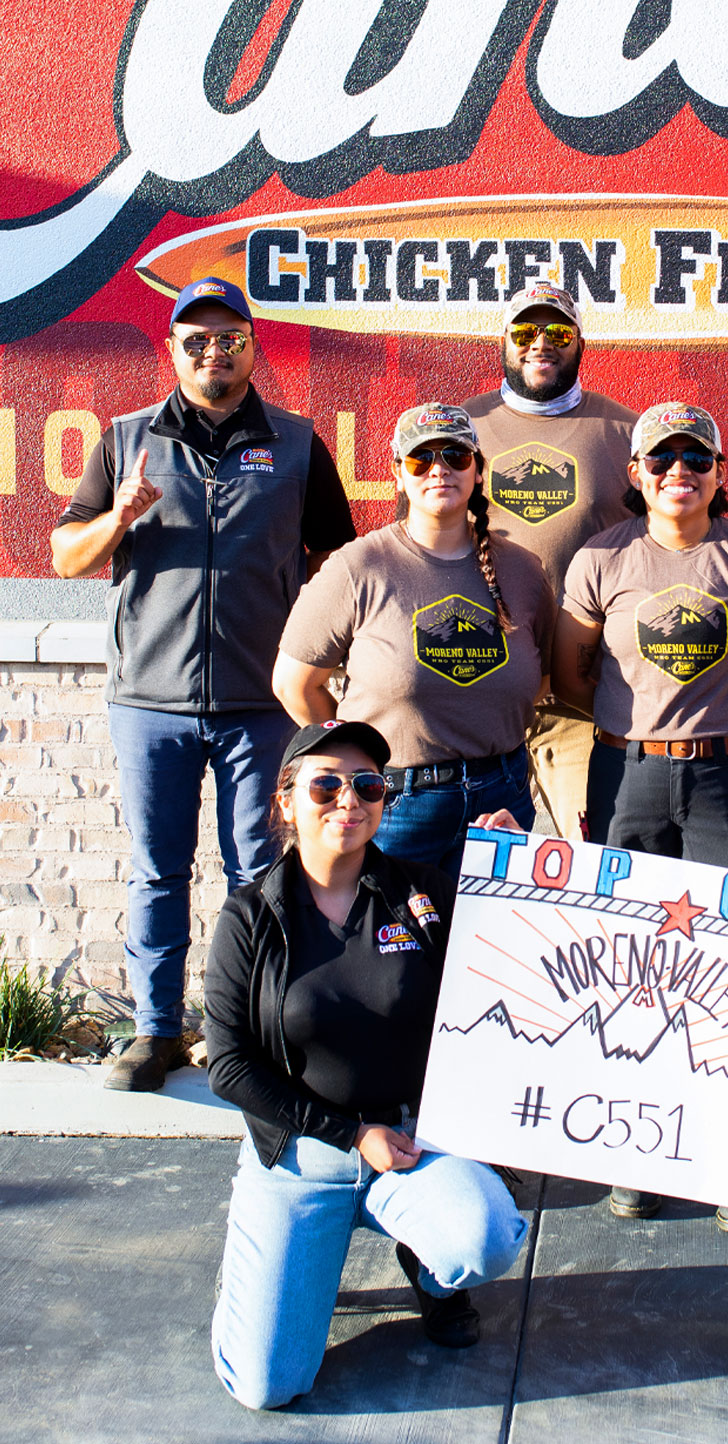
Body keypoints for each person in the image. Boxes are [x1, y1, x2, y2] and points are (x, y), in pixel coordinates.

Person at [49, 276, 356, 1092]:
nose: (213, 351)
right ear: (173, 350)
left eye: (230, 338)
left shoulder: (296, 443)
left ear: (252, 348)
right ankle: (154, 1031)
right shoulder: (125, 440)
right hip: (150, 699)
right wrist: (118, 517)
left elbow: (336, 560)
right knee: (159, 868)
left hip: (263, 701)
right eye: (197, 339)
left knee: (261, 870)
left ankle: (254, 1030)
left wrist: (316, 653)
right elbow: (66, 557)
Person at [206, 720, 527, 1411]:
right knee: (267, 1386)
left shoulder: (421, 895)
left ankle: (429, 1267)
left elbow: (512, 967)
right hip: (301, 1158)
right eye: (325, 784)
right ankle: (267, 1266)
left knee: (486, 1238)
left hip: (410, 1146)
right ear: (286, 800)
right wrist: (352, 1135)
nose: (348, 800)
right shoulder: (250, 915)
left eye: (368, 785)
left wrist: (509, 868)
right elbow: (228, 1066)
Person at [554, 400, 728, 1233]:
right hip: (626, 776)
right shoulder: (601, 559)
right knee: (629, 964)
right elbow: (572, 674)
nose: (679, 473)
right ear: (635, 474)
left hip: (726, 778)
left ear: (719, 471)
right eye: (661, 460)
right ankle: (638, 1152)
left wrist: (723, 725)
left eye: (696, 459)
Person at [273, 403, 554, 883]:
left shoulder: (523, 570)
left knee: (483, 934)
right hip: (395, 804)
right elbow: (293, 685)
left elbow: (543, 676)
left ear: (479, 472)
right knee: (392, 932)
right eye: (421, 459)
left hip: (501, 800)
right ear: (398, 474)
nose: (438, 470)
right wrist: (354, 756)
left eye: (456, 457)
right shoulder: (357, 567)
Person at [463, 279, 637, 839]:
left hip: (579, 693)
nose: (541, 343)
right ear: (503, 341)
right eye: (525, 331)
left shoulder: (625, 432)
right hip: (478, 682)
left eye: (558, 332)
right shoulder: (459, 430)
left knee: (589, 855)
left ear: (581, 343)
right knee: (471, 863)